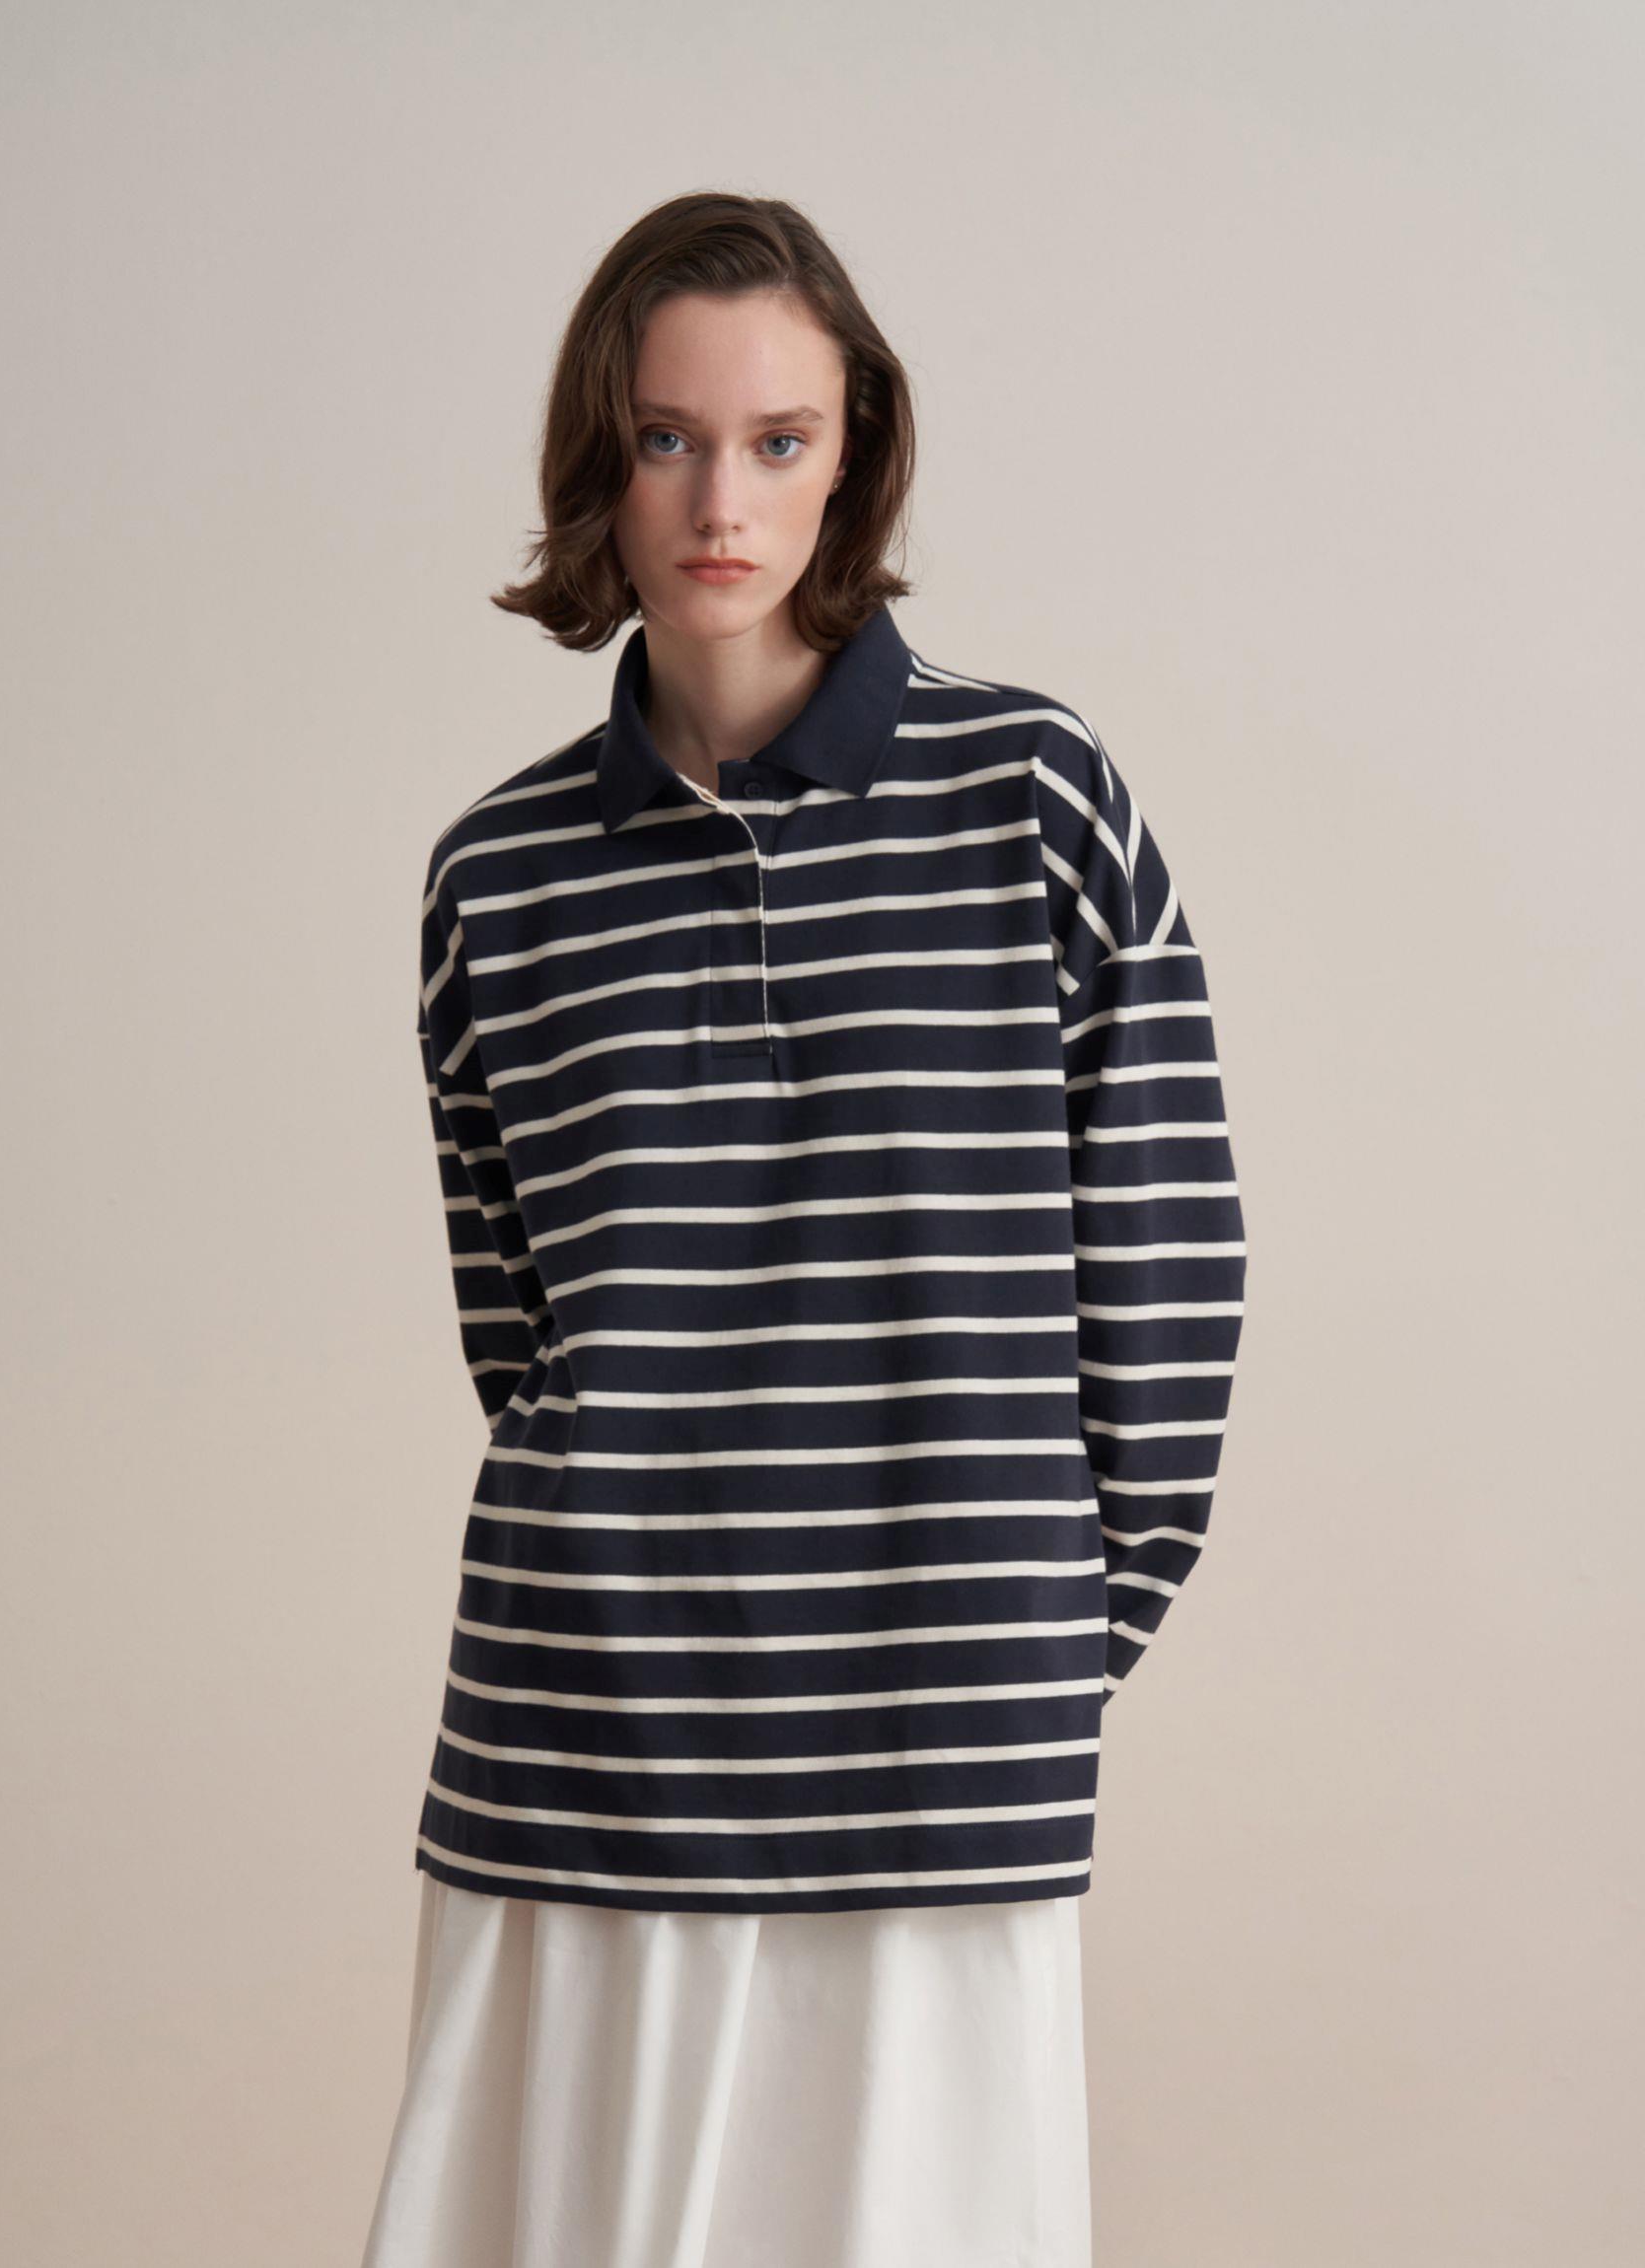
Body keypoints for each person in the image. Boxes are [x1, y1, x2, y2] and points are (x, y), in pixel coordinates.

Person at [360, 190, 1248, 2268]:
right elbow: (523, 1332)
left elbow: (1169, 1276)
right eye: (666, 439)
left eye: (778, 440)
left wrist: (1036, 1643)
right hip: (585, 1742)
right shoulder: (498, 878)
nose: (720, 501)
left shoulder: (1036, 797)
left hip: (946, 1736)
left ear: (854, 456)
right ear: (600, 462)